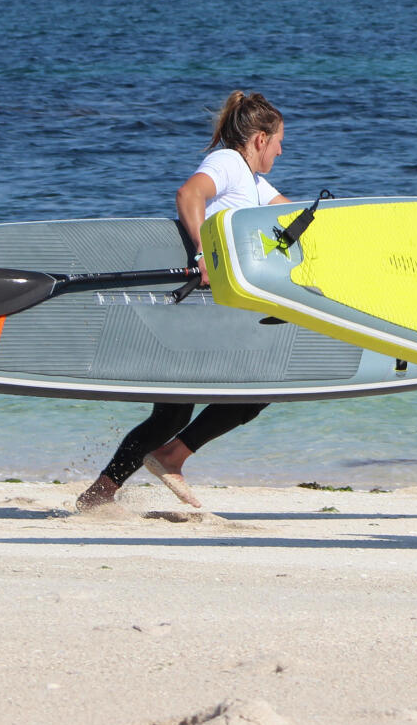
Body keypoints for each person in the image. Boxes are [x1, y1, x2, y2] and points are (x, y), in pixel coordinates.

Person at [76, 90, 290, 512]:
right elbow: (189, 195)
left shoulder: (253, 181)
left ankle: (100, 494)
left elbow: (287, 212)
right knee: (257, 388)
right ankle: (170, 458)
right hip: (199, 315)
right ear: (260, 139)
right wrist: (201, 252)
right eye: (280, 141)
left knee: (172, 415)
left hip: (207, 319)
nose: (282, 151)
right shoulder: (227, 163)